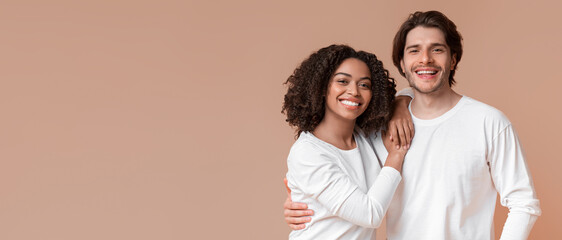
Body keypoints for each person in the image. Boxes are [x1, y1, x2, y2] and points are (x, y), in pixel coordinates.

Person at [284, 11, 541, 240]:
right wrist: (304, 201)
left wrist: (401, 100)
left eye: (437, 49)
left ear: (452, 60)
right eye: (414, 50)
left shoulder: (489, 122)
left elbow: (523, 203)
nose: (425, 59)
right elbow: (346, 189)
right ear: (402, 63)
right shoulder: (378, 131)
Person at [282, 44, 410, 239]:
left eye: (364, 85)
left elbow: (418, 90)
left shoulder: (365, 138)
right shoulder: (308, 153)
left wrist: (401, 103)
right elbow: (370, 214)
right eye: (343, 81)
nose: (354, 92)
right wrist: (396, 155)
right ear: (322, 87)